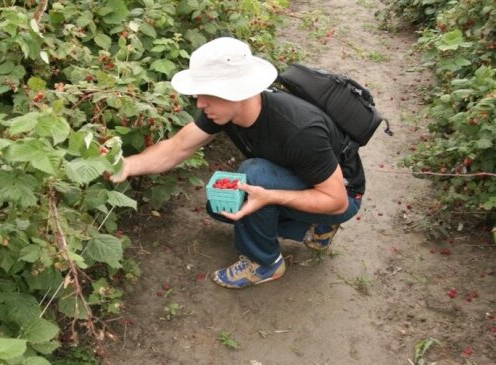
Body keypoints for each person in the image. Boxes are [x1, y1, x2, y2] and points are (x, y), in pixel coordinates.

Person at [109, 37, 364, 289]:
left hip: (343, 196)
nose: (199, 102)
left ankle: (265, 263)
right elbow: (177, 148)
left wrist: (269, 196)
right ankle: (316, 226)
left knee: (254, 177)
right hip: (308, 179)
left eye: (208, 93)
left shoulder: (300, 130)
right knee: (220, 207)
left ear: (239, 91)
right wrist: (128, 166)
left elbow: (337, 200)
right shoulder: (224, 110)